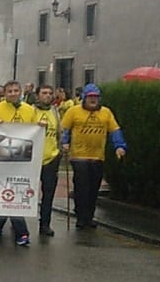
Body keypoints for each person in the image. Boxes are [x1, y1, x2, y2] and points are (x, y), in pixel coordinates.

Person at [61, 83, 127, 229]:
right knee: (82, 187)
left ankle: (89, 216)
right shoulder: (73, 111)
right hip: (79, 156)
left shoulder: (106, 113)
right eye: (90, 97)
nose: (93, 100)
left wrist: (120, 146)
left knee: (93, 188)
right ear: (84, 98)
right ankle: (81, 216)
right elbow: (65, 129)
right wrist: (65, 142)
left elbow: (115, 131)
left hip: (97, 156)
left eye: (96, 97)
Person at [0, 80, 37, 246]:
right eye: (10, 91)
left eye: (16, 90)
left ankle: (22, 232)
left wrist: (40, 127)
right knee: (2, 193)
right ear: (5, 93)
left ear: (21, 92)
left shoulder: (30, 110)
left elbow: (35, 130)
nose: (13, 93)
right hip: (1, 155)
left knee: (16, 195)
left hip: (22, 157)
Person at [34, 85, 61, 236]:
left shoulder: (55, 112)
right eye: (44, 93)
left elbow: (58, 132)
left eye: (50, 93)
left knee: (48, 194)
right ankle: (17, 222)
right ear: (37, 96)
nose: (48, 96)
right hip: (33, 159)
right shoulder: (31, 111)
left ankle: (45, 224)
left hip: (51, 158)